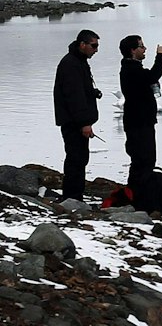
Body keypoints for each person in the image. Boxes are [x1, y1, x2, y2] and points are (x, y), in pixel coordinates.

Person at [52, 29, 103, 202]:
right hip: (73, 122)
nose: (96, 50)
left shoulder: (78, 61)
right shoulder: (70, 64)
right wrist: (84, 123)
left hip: (75, 120)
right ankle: (72, 197)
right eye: (93, 46)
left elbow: (79, 90)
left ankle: (75, 195)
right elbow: (74, 96)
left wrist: (92, 92)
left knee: (79, 158)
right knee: (76, 158)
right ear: (82, 44)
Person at [119, 35, 162, 192]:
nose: (145, 49)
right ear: (133, 50)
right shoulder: (131, 69)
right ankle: (138, 194)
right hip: (138, 122)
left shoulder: (133, 68)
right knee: (143, 159)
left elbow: (149, 78)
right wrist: (160, 56)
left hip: (141, 121)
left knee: (144, 159)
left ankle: (138, 192)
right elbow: (153, 76)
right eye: (141, 46)